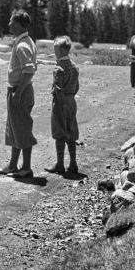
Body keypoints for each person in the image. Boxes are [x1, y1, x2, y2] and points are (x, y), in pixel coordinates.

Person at [0, 10, 38, 179]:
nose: (9, 25)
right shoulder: (24, 41)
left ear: (19, 24)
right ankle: (13, 165)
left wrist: (18, 92)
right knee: (15, 129)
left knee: (22, 129)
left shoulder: (22, 46)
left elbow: (29, 71)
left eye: (12, 22)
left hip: (19, 90)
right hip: (18, 90)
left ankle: (26, 167)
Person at [46, 35, 80, 175]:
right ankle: (73, 163)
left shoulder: (58, 68)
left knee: (60, 131)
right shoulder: (74, 67)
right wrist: (70, 98)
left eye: (55, 51)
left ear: (59, 51)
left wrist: (62, 103)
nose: (54, 54)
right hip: (72, 99)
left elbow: (58, 88)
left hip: (61, 102)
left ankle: (60, 164)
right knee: (71, 131)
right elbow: (77, 86)